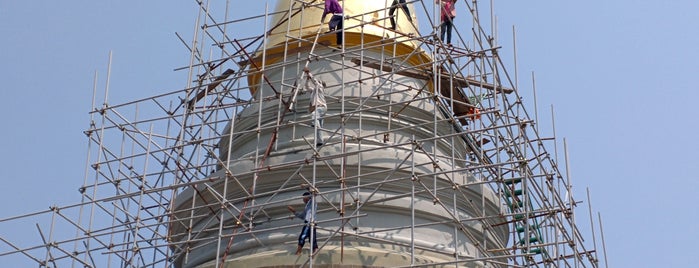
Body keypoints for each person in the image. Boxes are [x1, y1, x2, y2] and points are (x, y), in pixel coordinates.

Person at [302, 67, 327, 147]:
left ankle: (313, 123)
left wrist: (308, 73)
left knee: (314, 115)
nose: (317, 83)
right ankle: (320, 141)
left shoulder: (320, 88)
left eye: (319, 82)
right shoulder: (314, 91)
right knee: (319, 126)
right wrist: (307, 79)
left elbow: (315, 81)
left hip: (321, 107)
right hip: (319, 108)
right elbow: (307, 87)